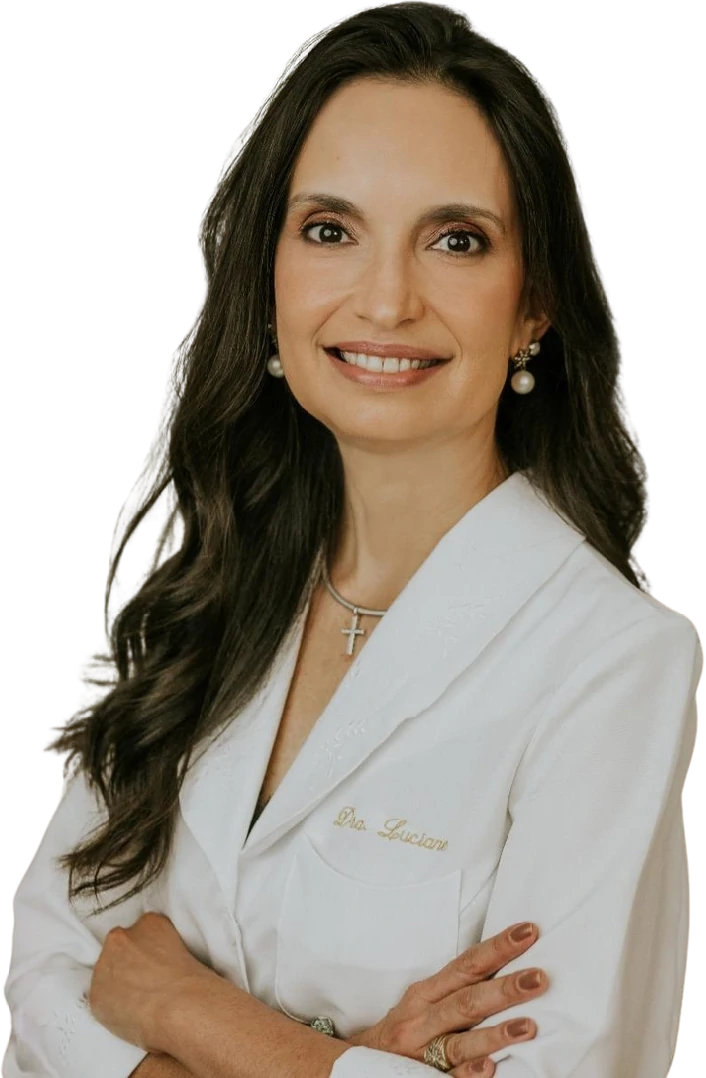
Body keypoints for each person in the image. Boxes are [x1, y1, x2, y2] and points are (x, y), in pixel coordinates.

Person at [4, 2, 699, 1077]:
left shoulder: (611, 661)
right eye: (330, 230)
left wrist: (186, 1009)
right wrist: (351, 1060)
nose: (385, 300)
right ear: (270, 273)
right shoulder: (203, 592)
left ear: (534, 306)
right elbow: (44, 971)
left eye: (456, 240)